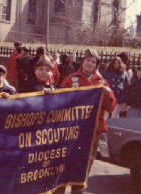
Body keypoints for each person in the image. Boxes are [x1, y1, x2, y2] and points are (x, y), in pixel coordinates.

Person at [55, 49, 116, 194]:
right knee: (64, 164)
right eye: (88, 60)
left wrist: (108, 94)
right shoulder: (71, 79)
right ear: (82, 61)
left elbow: (111, 106)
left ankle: (78, 191)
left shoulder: (102, 82)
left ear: (97, 65)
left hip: (92, 132)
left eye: (93, 61)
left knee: (84, 166)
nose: (90, 63)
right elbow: (59, 101)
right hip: (71, 131)